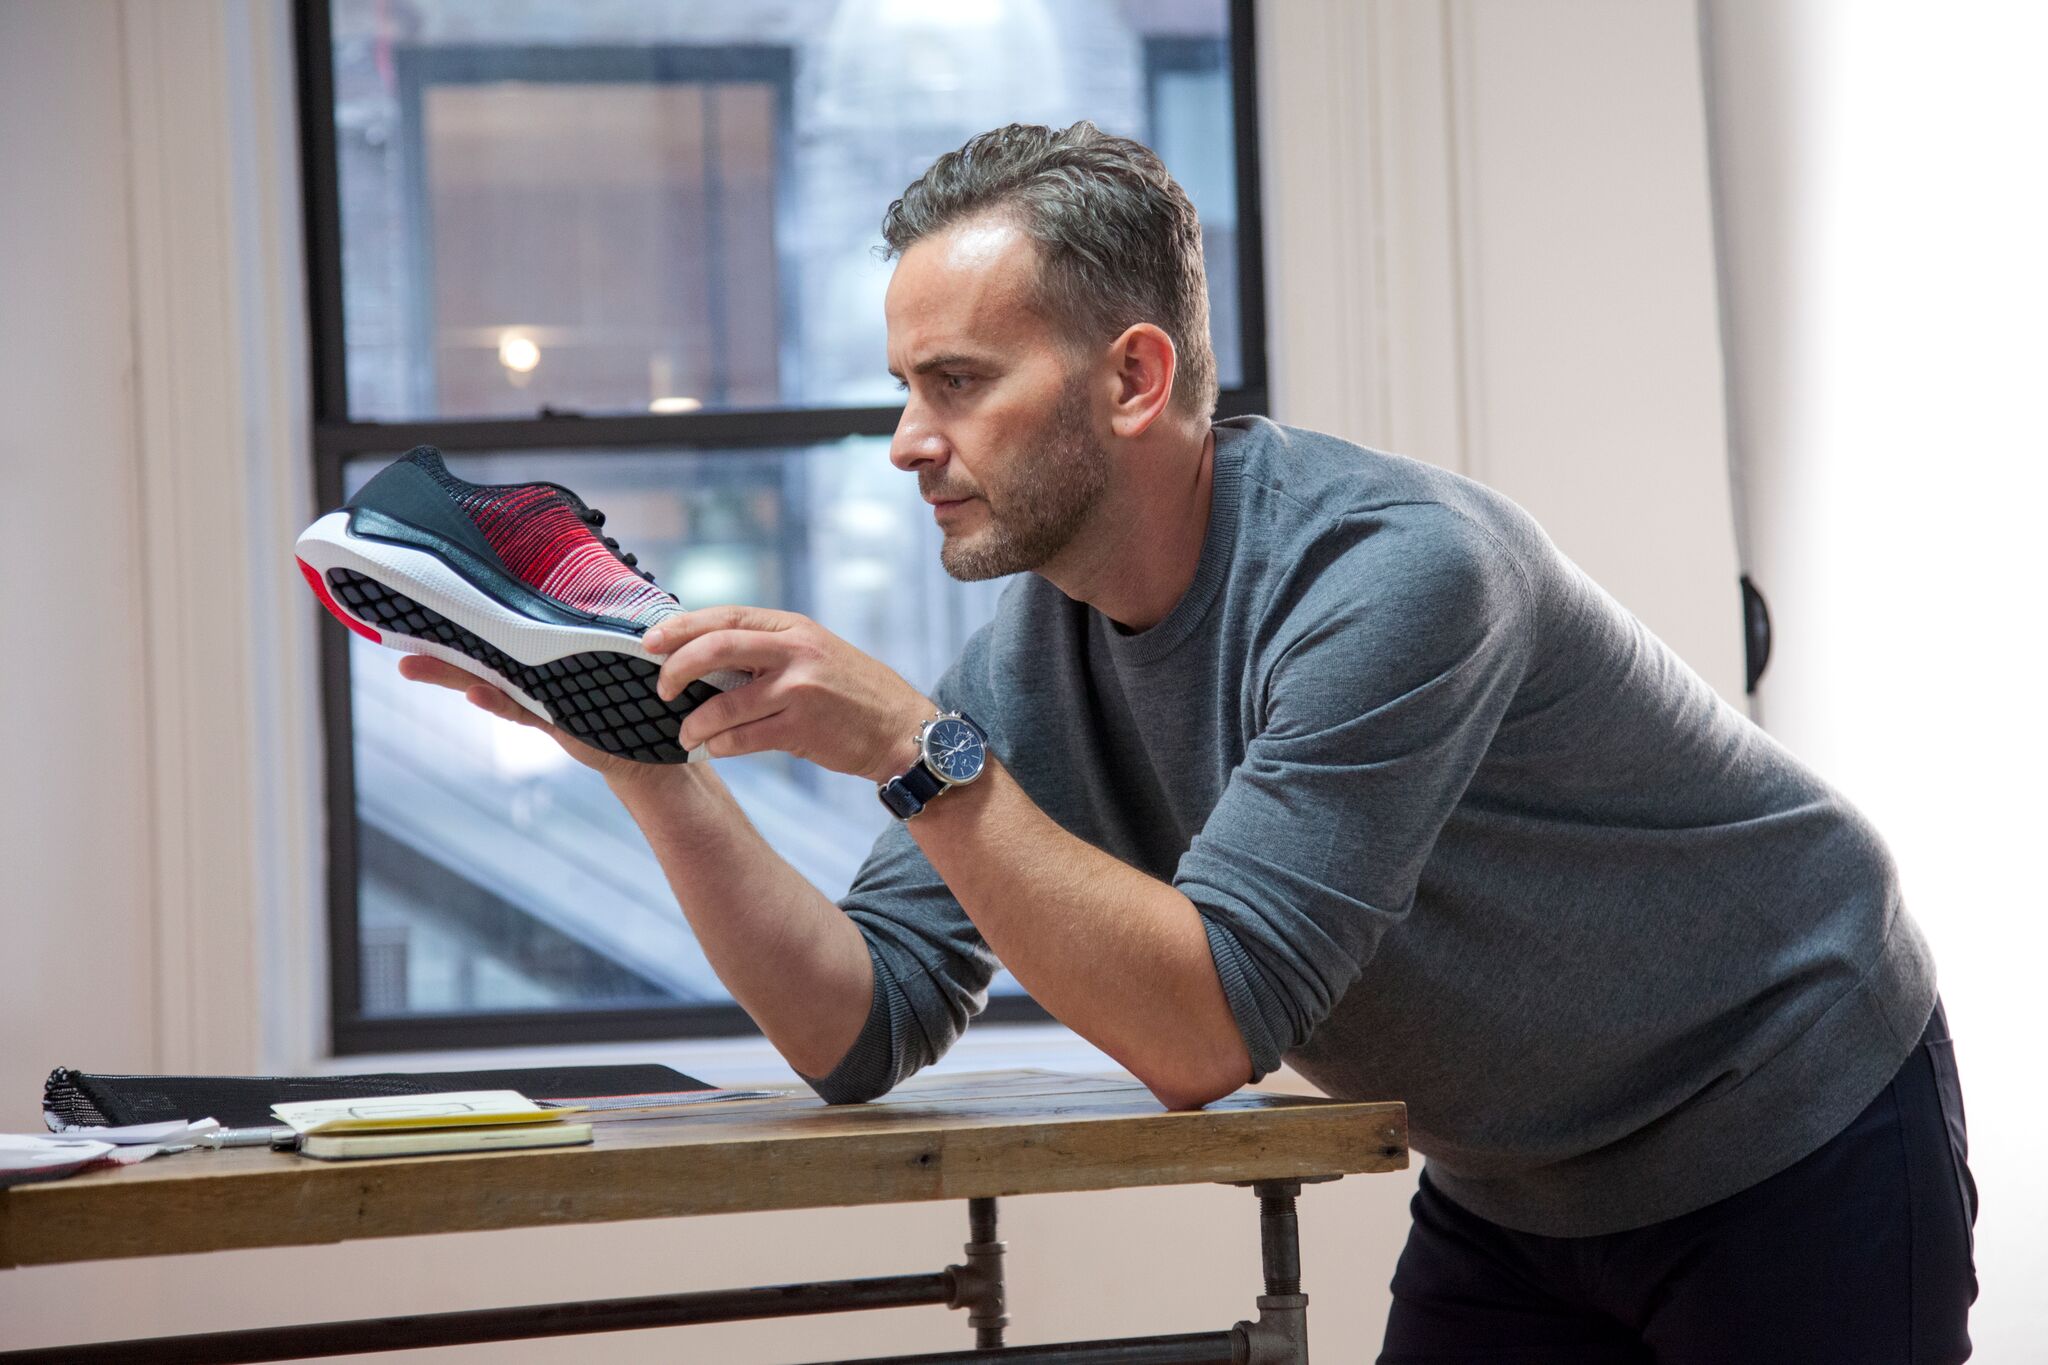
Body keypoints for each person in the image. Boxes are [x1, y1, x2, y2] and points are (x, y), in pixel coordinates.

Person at [398, 122, 1977, 1362]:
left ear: (1135, 377)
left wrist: (913, 746)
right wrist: (651, 772)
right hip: (1514, 1178)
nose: (907, 442)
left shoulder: (1398, 575)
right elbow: (860, 1025)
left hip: (1790, 1108)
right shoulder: (1033, 653)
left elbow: (1205, 1030)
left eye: (958, 382)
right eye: (903, 386)